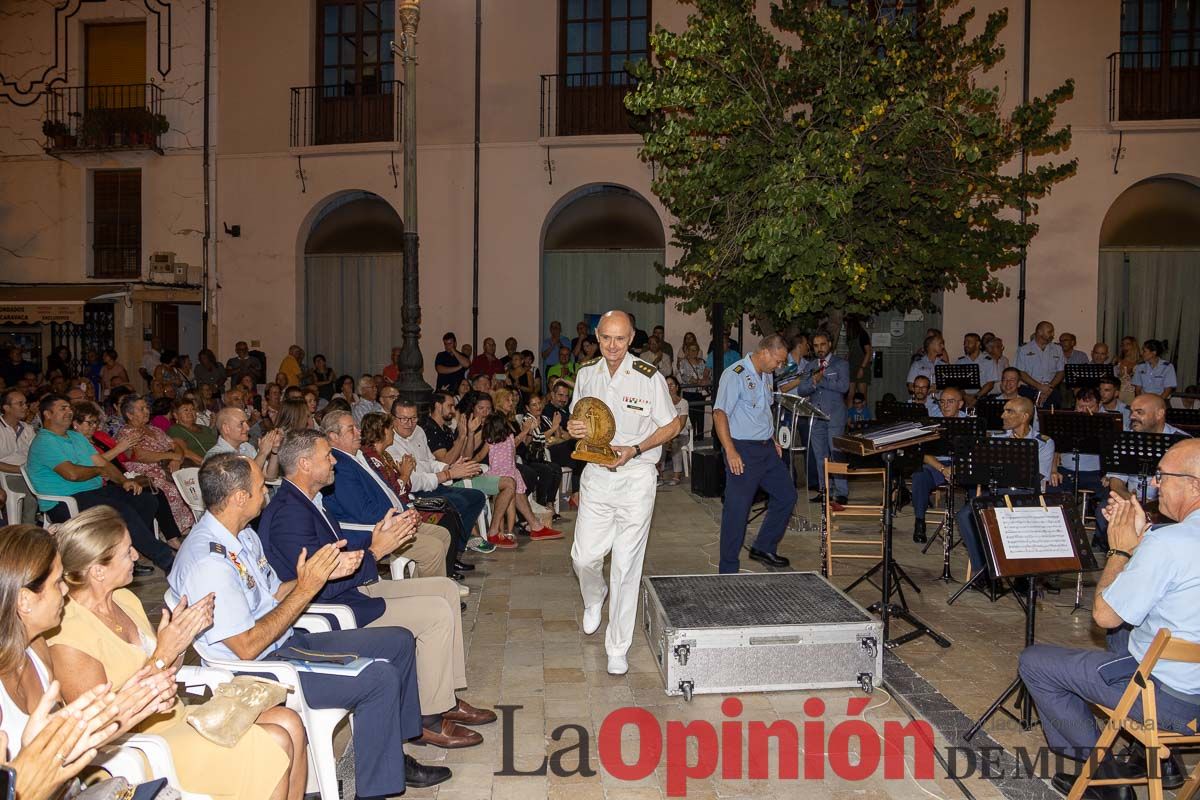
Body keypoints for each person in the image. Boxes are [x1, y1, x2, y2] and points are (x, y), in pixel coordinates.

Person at [173, 453, 452, 793]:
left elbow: (274, 593)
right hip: (259, 670)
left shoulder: (242, 535)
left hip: (282, 642)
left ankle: (395, 751)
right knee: (379, 678)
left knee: (397, 640)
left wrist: (319, 575)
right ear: (238, 498)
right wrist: (305, 589)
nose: (268, 493)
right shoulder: (209, 562)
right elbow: (247, 647)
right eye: (262, 487)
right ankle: (377, 787)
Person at [49, 507, 308, 800]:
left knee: (289, 721)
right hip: (134, 745)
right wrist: (162, 653)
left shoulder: (123, 598)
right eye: (126, 552)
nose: (136, 556)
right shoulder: (68, 637)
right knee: (274, 740)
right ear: (98, 570)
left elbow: (166, 665)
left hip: (174, 717)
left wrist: (181, 640)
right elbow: (102, 726)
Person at [256, 431, 493, 747]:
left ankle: (444, 697)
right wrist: (376, 552)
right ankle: (429, 718)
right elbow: (317, 586)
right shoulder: (289, 514)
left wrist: (375, 539)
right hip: (334, 608)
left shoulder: (307, 500)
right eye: (327, 456)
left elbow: (335, 550)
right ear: (304, 464)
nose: (333, 462)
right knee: (435, 613)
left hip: (349, 591)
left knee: (445, 590)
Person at [1018, 439, 1200, 798]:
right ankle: (1165, 762)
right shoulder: (1170, 539)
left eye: (1163, 476)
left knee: (1036, 663)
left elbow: (1104, 615)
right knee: (1124, 633)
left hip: (1172, 701)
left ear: (1194, 484)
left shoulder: (1170, 544)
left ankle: (1107, 778)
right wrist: (1145, 535)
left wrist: (1120, 549)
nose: (1156, 484)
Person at [0, 524, 178, 799]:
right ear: (24, 600)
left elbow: (69, 746)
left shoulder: (36, 648)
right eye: (58, 582)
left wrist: (133, 701)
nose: (65, 591)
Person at [567, 310, 682, 675]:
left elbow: (672, 424)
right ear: (596, 338)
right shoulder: (586, 374)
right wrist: (574, 427)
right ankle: (594, 595)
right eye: (606, 338)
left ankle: (617, 646)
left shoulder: (649, 377)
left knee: (626, 565)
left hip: (636, 476)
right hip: (597, 476)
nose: (612, 346)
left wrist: (635, 448)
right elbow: (578, 419)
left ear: (631, 339)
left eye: (619, 338)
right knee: (584, 557)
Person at [25, 394, 175, 572]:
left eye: (69, 408)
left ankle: (123, 556)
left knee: (146, 499)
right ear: (47, 414)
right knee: (120, 511)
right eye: (62, 408)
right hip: (64, 501)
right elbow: (72, 474)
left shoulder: (76, 437)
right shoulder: (44, 441)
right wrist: (99, 471)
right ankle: (167, 561)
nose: (69, 411)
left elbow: (102, 463)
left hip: (93, 492)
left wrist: (124, 481)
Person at [320, 411, 458, 579]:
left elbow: (387, 490)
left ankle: (424, 589)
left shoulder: (358, 456)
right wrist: (400, 518)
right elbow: (362, 512)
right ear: (334, 436)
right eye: (351, 429)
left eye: (357, 427)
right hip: (370, 531)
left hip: (391, 519)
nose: (359, 432)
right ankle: (427, 597)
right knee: (432, 548)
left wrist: (407, 512)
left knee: (442, 534)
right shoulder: (340, 465)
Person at [713, 335, 797, 574]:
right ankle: (728, 570)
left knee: (786, 495)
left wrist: (771, 437)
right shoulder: (735, 374)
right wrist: (730, 451)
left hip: (766, 450)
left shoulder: (767, 375)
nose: (779, 366)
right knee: (737, 512)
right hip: (742, 449)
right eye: (778, 361)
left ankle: (763, 546)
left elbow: (763, 409)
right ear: (765, 353)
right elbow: (720, 414)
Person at [957, 397, 1059, 576]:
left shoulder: (1042, 442)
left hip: (1025, 493)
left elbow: (1038, 476)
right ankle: (981, 568)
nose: (1002, 415)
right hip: (997, 491)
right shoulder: (996, 439)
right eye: (1004, 410)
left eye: (1009, 411)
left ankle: (1021, 573)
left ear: (1025, 416)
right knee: (965, 515)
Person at [387, 397, 492, 552]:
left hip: (435, 484)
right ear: (393, 419)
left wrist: (449, 467)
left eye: (414, 418)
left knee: (477, 497)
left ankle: (457, 548)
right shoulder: (390, 442)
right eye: (404, 419)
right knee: (457, 503)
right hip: (414, 492)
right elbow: (412, 481)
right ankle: (452, 550)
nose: (409, 424)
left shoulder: (418, 431)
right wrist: (448, 474)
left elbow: (429, 461)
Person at [477, 410, 562, 545]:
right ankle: (503, 531)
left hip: (506, 472)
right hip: (499, 474)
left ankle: (532, 527)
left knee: (517, 487)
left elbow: (481, 456)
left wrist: (526, 431)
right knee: (514, 485)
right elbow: (480, 456)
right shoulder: (500, 439)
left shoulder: (495, 440)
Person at [116, 394, 194, 537]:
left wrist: (176, 459)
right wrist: (171, 456)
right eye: (141, 409)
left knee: (192, 482)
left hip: (169, 466)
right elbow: (140, 455)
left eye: (147, 407)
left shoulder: (155, 429)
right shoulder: (127, 433)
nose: (147, 411)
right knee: (171, 489)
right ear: (129, 414)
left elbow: (175, 445)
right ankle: (176, 531)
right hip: (146, 472)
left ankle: (192, 525)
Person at [795, 332, 850, 506]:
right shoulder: (810, 365)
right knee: (820, 456)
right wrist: (812, 382)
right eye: (816, 345)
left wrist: (821, 380)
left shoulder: (840, 364)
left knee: (836, 454)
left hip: (835, 417)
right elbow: (802, 390)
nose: (820, 348)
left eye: (823, 344)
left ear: (830, 344)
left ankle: (841, 492)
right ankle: (824, 490)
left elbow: (843, 386)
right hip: (816, 417)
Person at [909, 388, 967, 543]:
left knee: (979, 482)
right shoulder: (931, 422)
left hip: (961, 465)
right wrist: (942, 468)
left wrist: (956, 468)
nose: (945, 405)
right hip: (937, 465)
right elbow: (922, 454)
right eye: (942, 401)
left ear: (960, 404)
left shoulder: (970, 422)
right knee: (919, 475)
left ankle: (973, 528)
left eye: (950, 401)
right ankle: (919, 521)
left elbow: (973, 453)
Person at [207, 406, 282, 481]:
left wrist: (275, 449)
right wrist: (262, 453)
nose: (248, 428)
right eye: (241, 424)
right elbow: (244, 483)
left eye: (246, 422)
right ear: (226, 428)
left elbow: (270, 476)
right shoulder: (215, 456)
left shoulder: (247, 447)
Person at [0, 389, 37, 524]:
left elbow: (36, 453)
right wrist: (21, 470)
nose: (25, 407)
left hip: (28, 473)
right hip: (6, 475)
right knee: (31, 492)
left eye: (25, 403)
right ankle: (27, 532)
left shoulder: (27, 428)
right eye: (20, 404)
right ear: (6, 408)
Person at [675, 340, 711, 441]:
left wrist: (704, 381)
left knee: (700, 417)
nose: (694, 352)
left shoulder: (702, 362)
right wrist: (697, 381)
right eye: (691, 350)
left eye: (696, 350)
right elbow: (684, 376)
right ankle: (690, 440)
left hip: (700, 393)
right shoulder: (683, 362)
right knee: (691, 417)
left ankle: (700, 438)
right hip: (689, 393)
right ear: (687, 351)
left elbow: (708, 374)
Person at [659, 375, 690, 486]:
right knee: (659, 444)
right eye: (666, 385)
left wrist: (672, 436)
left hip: (681, 434)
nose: (669, 387)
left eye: (671, 384)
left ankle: (676, 476)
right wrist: (666, 437)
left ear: (677, 387)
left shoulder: (683, 403)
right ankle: (660, 476)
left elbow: (681, 424)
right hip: (666, 433)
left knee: (676, 443)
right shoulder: (661, 402)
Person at [168, 396, 218, 460]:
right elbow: (184, 452)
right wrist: (206, 463)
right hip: (202, 464)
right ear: (176, 415)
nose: (190, 412)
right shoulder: (175, 430)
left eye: (193, 409)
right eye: (186, 410)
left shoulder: (205, 428)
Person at [957, 332, 999, 401]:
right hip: (963, 398)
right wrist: (965, 396)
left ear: (977, 344)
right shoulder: (960, 362)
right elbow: (957, 384)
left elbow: (990, 384)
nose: (966, 345)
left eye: (969, 342)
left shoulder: (988, 361)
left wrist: (976, 397)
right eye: (965, 342)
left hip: (981, 398)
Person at [845, 316, 873, 403]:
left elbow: (868, 352)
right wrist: (845, 359)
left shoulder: (863, 335)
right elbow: (851, 350)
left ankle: (864, 416)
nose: (845, 327)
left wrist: (862, 368)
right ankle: (849, 415)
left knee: (862, 395)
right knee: (850, 394)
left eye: (846, 325)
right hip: (851, 366)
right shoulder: (850, 336)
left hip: (862, 366)